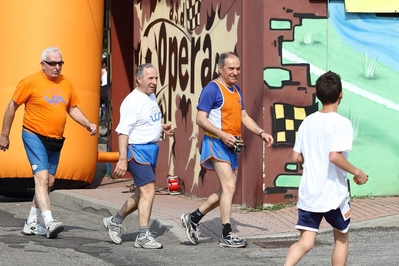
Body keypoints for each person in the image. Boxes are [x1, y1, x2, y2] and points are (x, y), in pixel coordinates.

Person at [0, 47, 97, 239]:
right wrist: (4, 134)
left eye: (60, 63)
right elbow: (12, 106)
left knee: (49, 182)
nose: (57, 67)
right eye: (52, 63)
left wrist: (87, 123)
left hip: (56, 139)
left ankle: (31, 223)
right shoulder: (30, 82)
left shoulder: (66, 82)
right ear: (43, 64)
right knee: (42, 179)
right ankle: (49, 221)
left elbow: (72, 107)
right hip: (33, 135)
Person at [180, 51, 274, 248]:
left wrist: (261, 133)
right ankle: (226, 233)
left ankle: (193, 218)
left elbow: (244, 116)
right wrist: (222, 134)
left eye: (238, 68)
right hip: (216, 143)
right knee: (230, 187)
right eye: (231, 68)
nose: (235, 72)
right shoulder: (212, 89)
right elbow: (200, 118)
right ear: (220, 68)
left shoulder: (236, 90)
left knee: (225, 190)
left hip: (233, 146)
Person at [284, 71, 368, 266]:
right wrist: (358, 172)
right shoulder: (342, 123)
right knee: (341, 238)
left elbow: (295, 156)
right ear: (341, 94)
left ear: (318, 95)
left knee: (305, 242)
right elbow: (334, 156)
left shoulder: (307, 121)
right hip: (334, 194)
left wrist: (313, 156)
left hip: (309, 193)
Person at [102, 63, 175, 249]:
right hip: (137, 151)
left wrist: (162, 127)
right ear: (139, 79)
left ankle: (115, 221)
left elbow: (146, 121)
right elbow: (123, 132)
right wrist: (122, 159)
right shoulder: (132, 101)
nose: (154, 82)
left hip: (151, 150)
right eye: (150, 78)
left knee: (140, 194)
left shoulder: (150, 96)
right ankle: (143, 236)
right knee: (149, 191)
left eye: (156, 78)